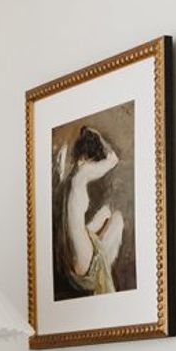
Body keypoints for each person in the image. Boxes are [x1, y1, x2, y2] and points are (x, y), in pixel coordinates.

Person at [54, 125, 123, 296]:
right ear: (87, 157)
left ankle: (102, 262)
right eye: (94, 160)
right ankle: (103, 268)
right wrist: (97, 135)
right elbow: (113, 159)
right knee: (118, 219)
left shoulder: (69, 180)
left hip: (71, 261)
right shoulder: (82, 173)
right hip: (84, 263)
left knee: (106, 213)